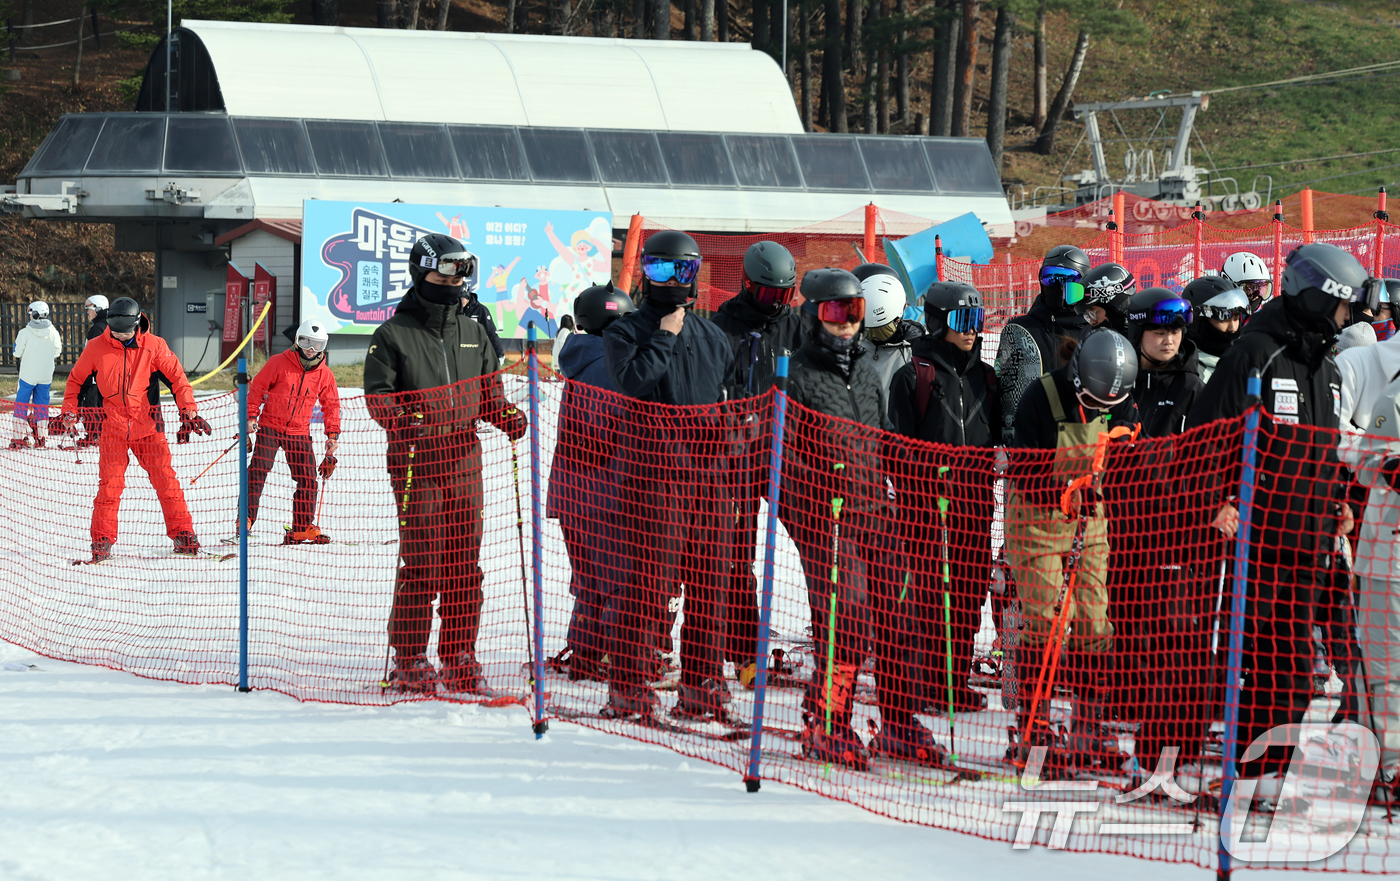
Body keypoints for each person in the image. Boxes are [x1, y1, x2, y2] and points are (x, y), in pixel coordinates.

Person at [1187, 242, 1367, 783]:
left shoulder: (1326, 367)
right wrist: (1218, 499)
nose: (1348, 315)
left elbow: (1324, 447)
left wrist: (1337, 499)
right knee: (1270, 662)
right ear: (1316, 298)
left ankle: (1262, 766)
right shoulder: (1258, 353)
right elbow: (1206, 433)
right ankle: (1257, 768)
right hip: (1258, 538)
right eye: (1342, 304)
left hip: (1309, 539)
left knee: (1286, 666)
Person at [364, 233, 527, 694]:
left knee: (464, 563)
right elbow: (378, 396)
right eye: (447, 271)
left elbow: (489, 396)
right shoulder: (394, 333)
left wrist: (508, 417)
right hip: (416, 460)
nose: (456, 281)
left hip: (464, 461)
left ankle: (459, 653)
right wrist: (401, 420)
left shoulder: (474, 331)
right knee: (422, 561)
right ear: (423, 273)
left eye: (462, 271)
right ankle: (410, 657)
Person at [602, 230, 736, 725]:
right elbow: (632, 383)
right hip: (652, 476)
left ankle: (703, 687)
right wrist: (665, 333)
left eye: (680, 272)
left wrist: (732, 450)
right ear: (645, 274)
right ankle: (629, 687)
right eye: (659, 271)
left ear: (694, 275)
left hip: (708, 475)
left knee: (710, 584)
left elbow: (733, 400)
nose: (671, 282)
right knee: (648, 586)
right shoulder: (626, 331)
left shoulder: (713, 335)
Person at [1006, 328, 1139, 774]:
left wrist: (1105, 483)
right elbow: (1024, 468)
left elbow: (1127, 457)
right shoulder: (1041, 398)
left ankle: (1088, 723)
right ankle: (1033, 726)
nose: (1100, 413)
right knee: (1046, 618)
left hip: (1091, 517)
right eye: (1094, 405)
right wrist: (1062, 491)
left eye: (1107, 409)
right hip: (1039, 516)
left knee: (1093, 618)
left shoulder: (1122, 400)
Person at [779, 268, 895, 769]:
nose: (846, 323)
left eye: (854, 312)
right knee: (846, 617)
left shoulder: (868, 371)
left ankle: (898, 722)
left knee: (898, 613)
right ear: (813, 315)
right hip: (826, 517)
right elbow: (780, 457)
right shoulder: (797, 374)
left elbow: (884, 435)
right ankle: (827, 720)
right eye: (835, 312)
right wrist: (816, 502)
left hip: (875, 510)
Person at [887, 280, 1000, 721]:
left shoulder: (986, 377)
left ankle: (954, 678)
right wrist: (915, 484)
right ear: (938, 322)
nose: (972, 330)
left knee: (969, 590)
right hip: (928, 505)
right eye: (962, 320)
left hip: (975, 502)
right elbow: (895, 441)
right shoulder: (915, 373)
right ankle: (928, 681)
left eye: (977, 320)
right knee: (933, 593)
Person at [710, 240, 802, 683]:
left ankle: (838, 645)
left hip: (787, 454)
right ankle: (745, 653)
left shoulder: (797, 325)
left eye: (784, 295)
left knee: (821, 542)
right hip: (736, 456)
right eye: (768, 295)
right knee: (732, 554)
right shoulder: (722, 326)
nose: (776, 304)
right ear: (748, 285)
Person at [56, 298, 210, 562]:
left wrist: (188, 410)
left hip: (148, 428)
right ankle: (101, 541)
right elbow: (75, 381)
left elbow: (178, 380)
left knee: (167, 482)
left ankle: (183, 534)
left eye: (126, 331)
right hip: (113, 428)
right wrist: (70, 410)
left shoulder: (154, 346)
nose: (120, 335)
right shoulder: (96, 347)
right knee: (109, 487)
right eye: (115, 331)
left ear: (137, 324)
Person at [547, 282, 635, 684]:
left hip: (573, 493)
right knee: (620, 579)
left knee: (589, 578)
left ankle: (586, 652)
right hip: (609, 493)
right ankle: (621, 659)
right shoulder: (617, 364)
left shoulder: (578, 358)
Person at [246, 320, 342, 544]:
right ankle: (246, 520)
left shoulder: (324, 374)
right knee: (258, 471)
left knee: (308, 478)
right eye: (306, 342)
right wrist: (251, 417)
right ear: (297, 341)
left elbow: (331, 405)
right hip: (270, 426)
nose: (311, 349)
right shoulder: (278, 362)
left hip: (299, 432)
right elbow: (258, 387)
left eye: (317, 345)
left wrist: (332, 435)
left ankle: (300, 528)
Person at [995, 244, 1092, 443]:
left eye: (1068, 278)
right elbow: (1003, 389)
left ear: (1082, 283)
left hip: (1083, 439)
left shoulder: (1094, 332)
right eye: (1050, 277)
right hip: (1032, 440)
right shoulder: (1021, 329)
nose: (1058, 285)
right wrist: (1007, 438)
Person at [1124, 287, 1203, 438]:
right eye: (1159, 333)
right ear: (1137, 334)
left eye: (1175, 332)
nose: (1169, 341)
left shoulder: (1191, 388)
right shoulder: (1121, 380)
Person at [861, 272, 924, 400]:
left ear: (898, 319)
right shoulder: (852, 348)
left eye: (883, 331)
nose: (875, 338)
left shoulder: (916, 351)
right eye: (867, 331)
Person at [11, 300, 63, 449]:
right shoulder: (53, 332)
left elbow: (17, 352)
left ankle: (18, 438)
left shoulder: (25, 332)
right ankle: (41, 438)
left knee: (21, 404)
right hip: (45, 375)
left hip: (28, 374)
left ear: (33, 314)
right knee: (42, 405)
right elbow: (57, 352)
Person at [1182, 276, 1249, 384]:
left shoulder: (1241, 363)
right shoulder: (1189, 371)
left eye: (1236, 319)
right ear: (1198, 321)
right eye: (1224, 319)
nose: (1233, 328)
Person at [77, 295, 109, 449]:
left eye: (89, 308)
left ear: (98, 308)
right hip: (105, 375)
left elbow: (92, 353)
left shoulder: (97, 328)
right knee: (102, 405)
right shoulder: (108, 324)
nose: (87, 312)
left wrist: (89, 372)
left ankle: (93, 435)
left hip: (96, 374)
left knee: (91, 404)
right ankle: (101, 434)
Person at [1077, 263, 1135, 332]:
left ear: (1115, 309)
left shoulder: (1143, 338)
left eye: (1093, 313)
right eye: (1088, 315)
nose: (1092, 322)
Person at [459, 282, 505, 361]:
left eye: (463, 298)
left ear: (468, 297)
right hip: (458, 350)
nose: (461, 301)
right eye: (459, 299)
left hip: (476, 351)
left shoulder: (480, 310)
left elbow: (491, 332)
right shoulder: (454, 309)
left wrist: (499, 353)